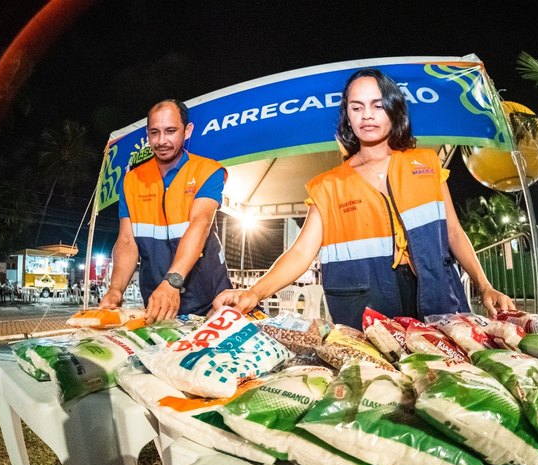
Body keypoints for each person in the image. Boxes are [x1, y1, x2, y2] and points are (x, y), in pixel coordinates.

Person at [213, 69, 514, 327]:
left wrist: (484, 286)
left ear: (393, 109)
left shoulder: (426, 163)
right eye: (356, 108)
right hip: (369, 314)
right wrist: (255, 292)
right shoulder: (328, 185)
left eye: (377, 105)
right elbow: (300, 254)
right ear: (348, 116)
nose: (367, 115)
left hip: (438, 301)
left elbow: (453, 233)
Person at [100, 99, 232, 321]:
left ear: (187, 131)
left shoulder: (208, 171)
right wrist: (115, 289)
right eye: (154, 133)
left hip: (211, 302)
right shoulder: (131, 180)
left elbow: (200, 225)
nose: (161, 141)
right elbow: (126, 242)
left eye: (170, 131)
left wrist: (172, 281)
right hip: (158, 306)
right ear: (147, 134)